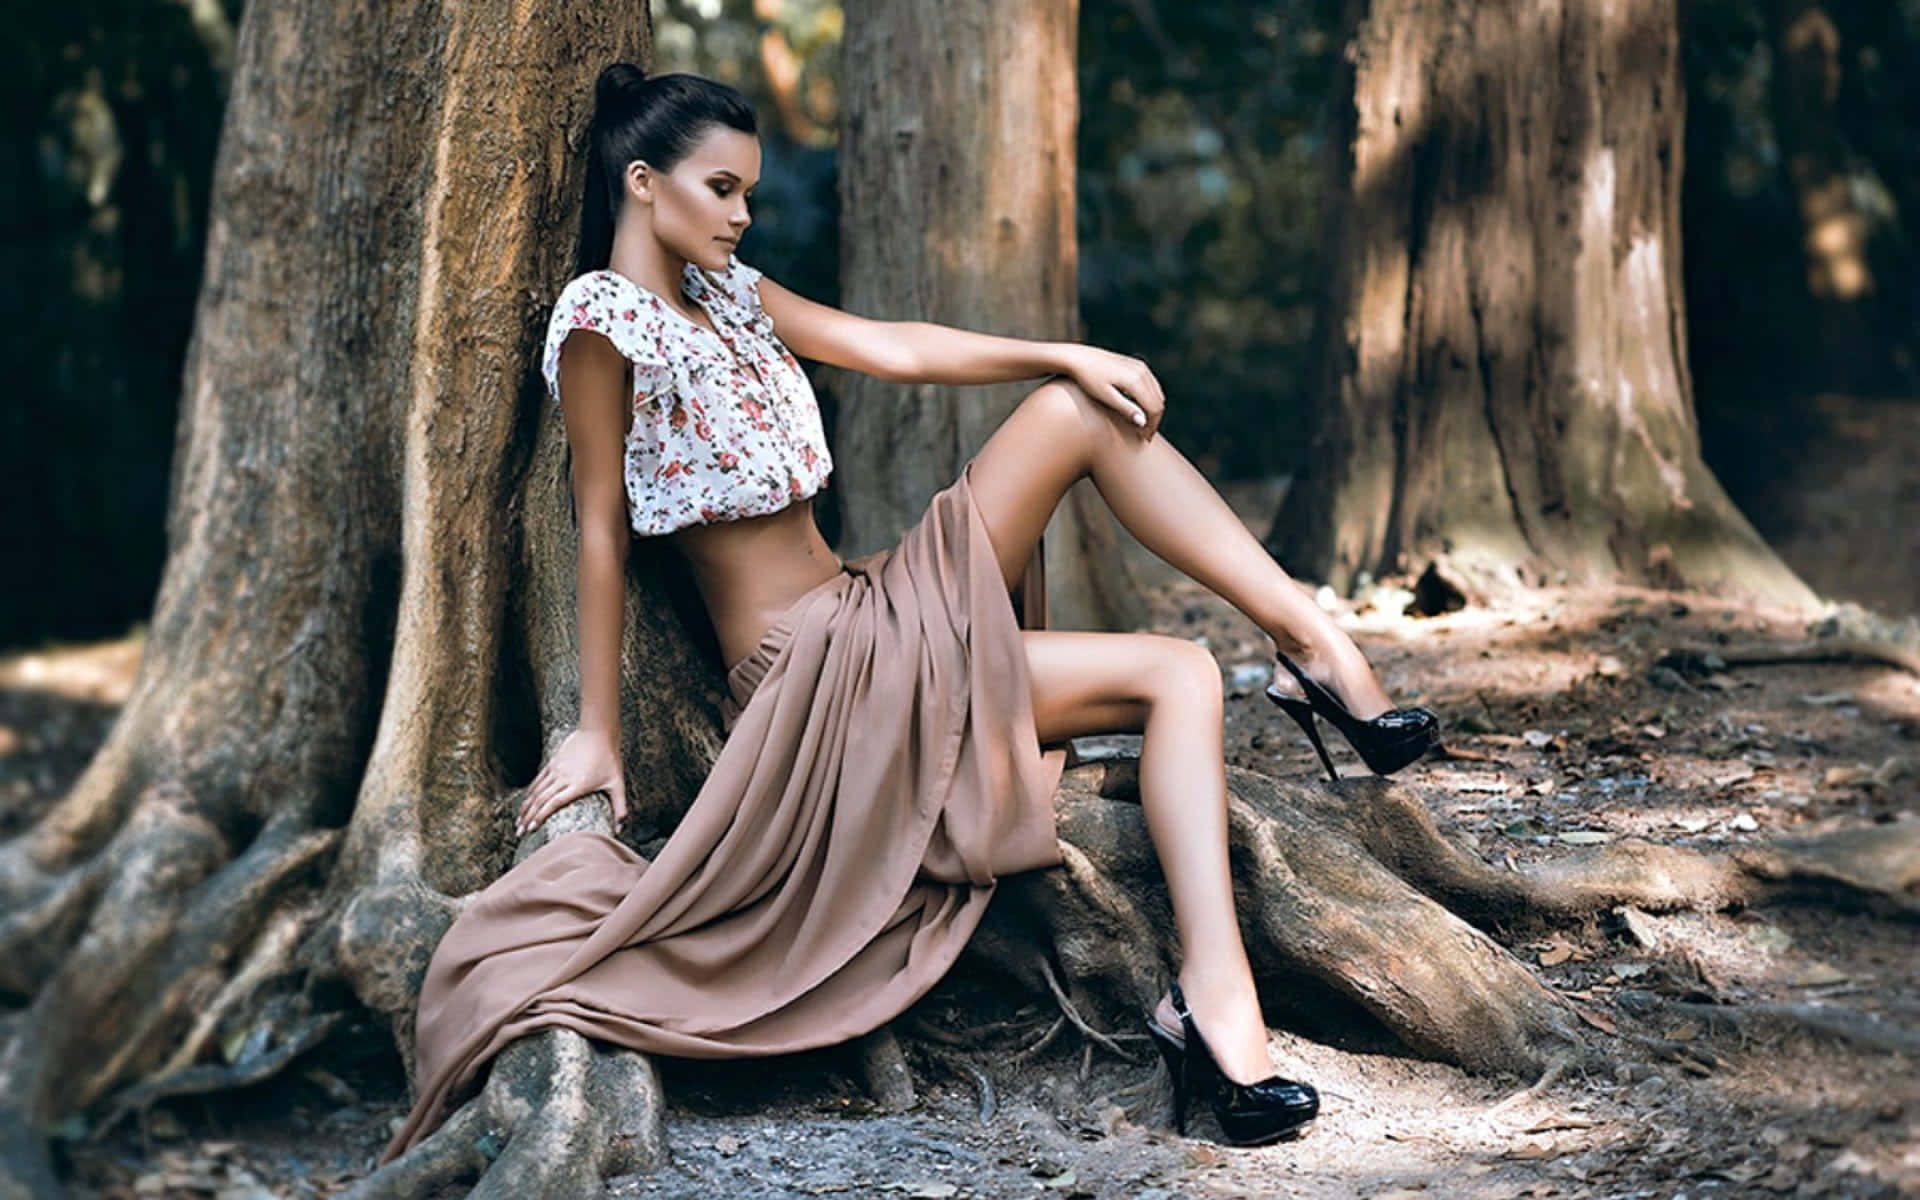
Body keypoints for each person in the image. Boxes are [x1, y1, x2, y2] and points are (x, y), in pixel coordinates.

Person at [379, 64, 1438, 1164]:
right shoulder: (603, 321)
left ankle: (1222, 976)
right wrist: (596, 730)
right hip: (813, 680)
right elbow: (595, 527)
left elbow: (895, 345)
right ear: (643, 184)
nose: (744, 213)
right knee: (1162, 636)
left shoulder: (733, 296)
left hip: (868, 618)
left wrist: (1057, 345)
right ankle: (1289, 760)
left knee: (1117, 513)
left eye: (748, 192)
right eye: (722, 188)